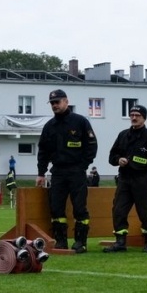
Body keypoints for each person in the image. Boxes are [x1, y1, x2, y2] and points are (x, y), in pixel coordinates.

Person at [36, 88, 99, 252]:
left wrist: (84, 164)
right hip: (57, 173)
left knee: (79, 208)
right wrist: (41, 173)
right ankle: (60, 241)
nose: (54, 105)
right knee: (56, 208)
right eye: (52, 103)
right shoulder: (49, 126)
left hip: (77, 172)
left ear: (66, 101)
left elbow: (92, 145)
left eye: (57, 102)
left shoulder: (80, 122)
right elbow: (43, 151)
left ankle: (81, 242)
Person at [104, 104, 147, 253]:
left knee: (145, 212)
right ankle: (120, 242)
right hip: (125, 179)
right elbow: (112, 156)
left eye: (137, 115)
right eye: (131, 114)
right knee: (118, 210)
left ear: (144, 118)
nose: (134, 117)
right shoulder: (123, 135)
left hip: (142, 181)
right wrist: (118, 160)